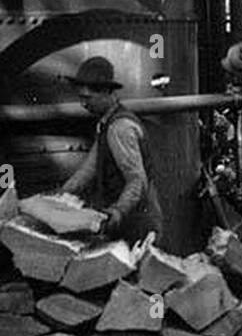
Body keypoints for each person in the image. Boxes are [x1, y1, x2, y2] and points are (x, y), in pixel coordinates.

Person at [59, 56, 164, 244]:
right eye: (81, 98)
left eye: (87, 98)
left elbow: (137, 180)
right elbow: (88, 169)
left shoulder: (120, 128)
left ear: (106, 92)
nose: (83, 104)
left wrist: (117, 211)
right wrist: (61, 195)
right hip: (125, 222)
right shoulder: (105, 123)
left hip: (137, 225)